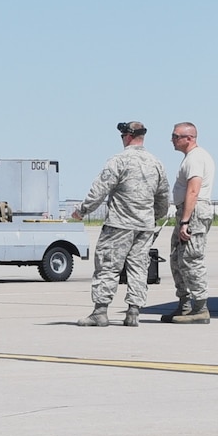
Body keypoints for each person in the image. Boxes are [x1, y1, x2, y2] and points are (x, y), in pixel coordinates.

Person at [70, 121, 171, 327]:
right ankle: (133, 312)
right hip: (145, 226)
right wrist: (153, 217)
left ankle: (100, 312)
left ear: (126, 137)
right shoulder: (156, 163)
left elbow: (100, 189)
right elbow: (163, 197)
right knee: (138, 268)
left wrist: (82, 210)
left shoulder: (119, 160)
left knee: (107, 267)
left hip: (119, 225)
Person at [161, 122, 216, 323]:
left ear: (189, 138)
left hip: (193, 212)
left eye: (176, 136)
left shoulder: (196, 158)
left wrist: (185, 221)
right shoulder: (190, 158)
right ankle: (184, 305)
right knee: (177, 258)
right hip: (186, 211)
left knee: (191, 258)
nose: (172, 140)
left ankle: (200, 309)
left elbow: (193, 190)